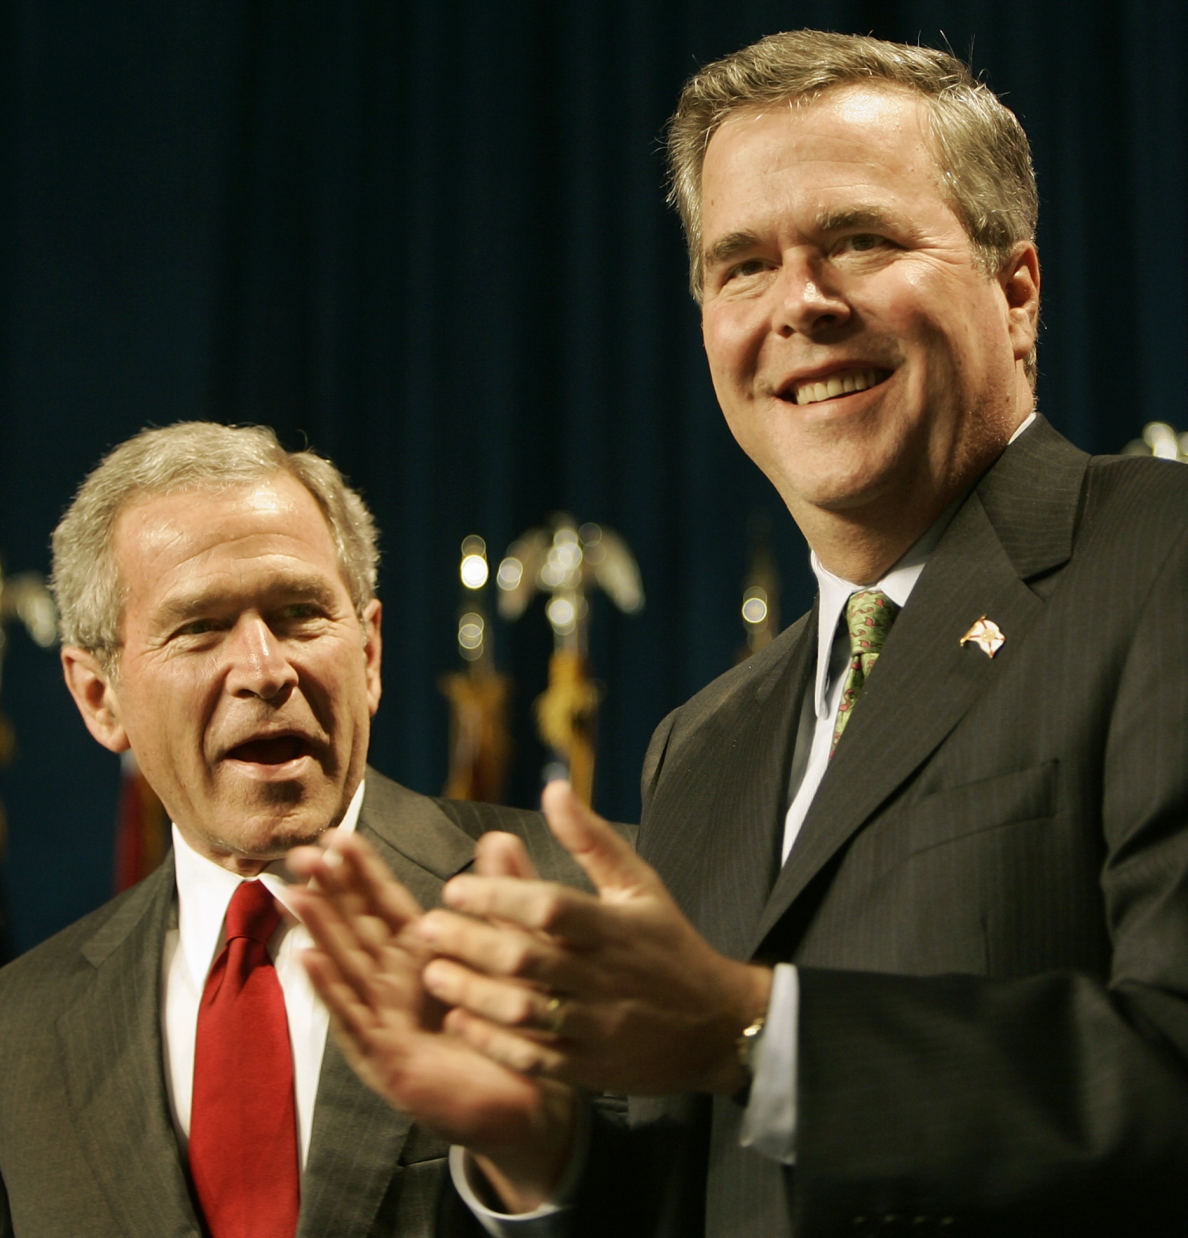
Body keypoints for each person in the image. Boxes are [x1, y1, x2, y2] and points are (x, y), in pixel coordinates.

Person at [283, 29, 1188, 1237]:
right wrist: (534, 1153)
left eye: (858, 239)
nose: (800, 305)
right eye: (741, 264)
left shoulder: (1158, 559)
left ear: (1017, 289)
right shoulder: (699, 747)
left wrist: (751, 1029)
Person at [0, 421, 590, 1238]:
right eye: (199, 626)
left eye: (301, 613)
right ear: (100, 697)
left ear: (370, 654)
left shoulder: (574, 907)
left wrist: (536, 1168)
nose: (267, 670)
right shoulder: (10, 1038)